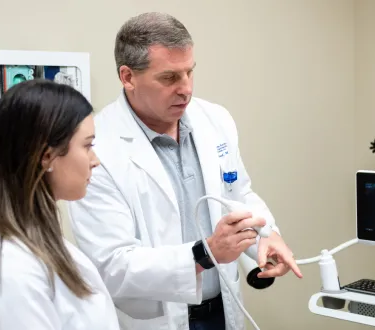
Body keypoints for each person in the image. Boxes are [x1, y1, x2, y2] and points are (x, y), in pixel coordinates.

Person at [66, 12, 303, 330]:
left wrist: (267, 233)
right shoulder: (97, 147)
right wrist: (205, 253)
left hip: (222, 307)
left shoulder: (215, 120)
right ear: (128, 76)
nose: (186, 89)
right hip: (156, 318)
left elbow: (238, 193)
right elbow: (112, 264)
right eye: (169, 78)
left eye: (190, 73)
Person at [0, 79, 120, 330]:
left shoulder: (37, 243)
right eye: (87, 145)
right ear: (47, 156)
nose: (95, 160)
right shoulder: (9, 270)